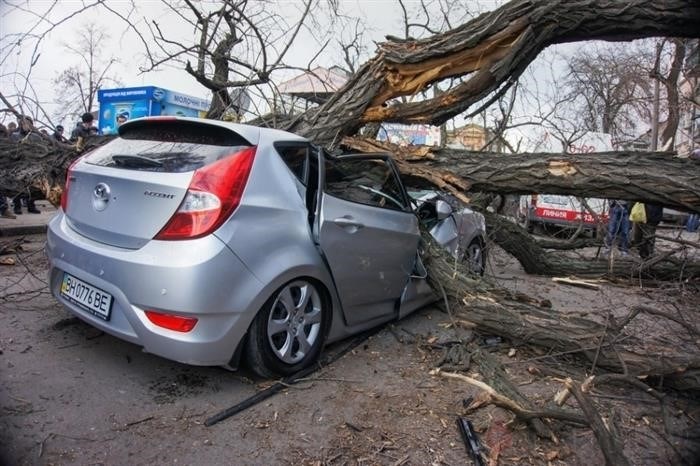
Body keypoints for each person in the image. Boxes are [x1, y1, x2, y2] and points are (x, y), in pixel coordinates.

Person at [9, 116, 41, 214]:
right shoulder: (15, 136)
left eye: (28, 123)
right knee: (18, 186)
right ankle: (17, 206)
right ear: (21, 125)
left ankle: (31, 205)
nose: (26, 126)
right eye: (24, 123)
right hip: (18, 163)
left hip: (31, 164)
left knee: (32, 186)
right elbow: (12, 150)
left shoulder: (35, 137)